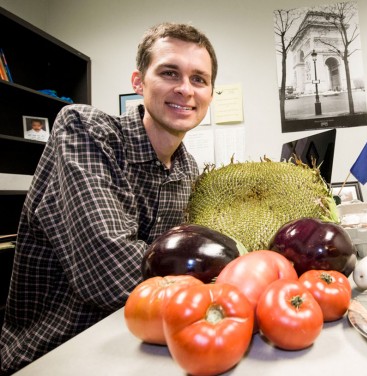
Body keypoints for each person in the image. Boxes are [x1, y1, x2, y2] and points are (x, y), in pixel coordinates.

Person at [0, 22, 217, 375]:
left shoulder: (188, 169)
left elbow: (188, 260)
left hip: (140, 343)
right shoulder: (86, 131)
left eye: (199, 79)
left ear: (210, 92)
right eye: (169, 72)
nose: (185, 89)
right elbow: (111, 276)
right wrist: (225, 283)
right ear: (138, 82)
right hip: (55, 352)